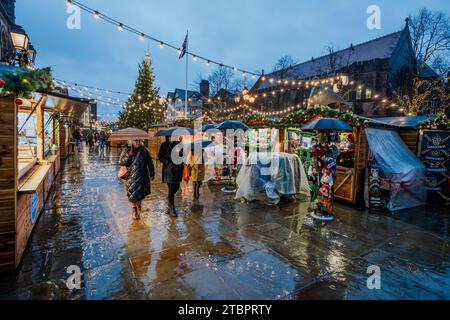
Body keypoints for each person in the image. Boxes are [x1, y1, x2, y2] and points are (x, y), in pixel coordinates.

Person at [119, 139, 155, 220]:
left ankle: (138, 203)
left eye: (139, 141)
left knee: (140, 194)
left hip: (143, 176)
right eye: (136, 141)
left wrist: (152, 173)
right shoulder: (127, 149)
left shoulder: (144, 150)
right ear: (131, 141)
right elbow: (121, 162)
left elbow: (150, 162)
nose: (138, 142)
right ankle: (134, 209)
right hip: (131, 176)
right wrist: (129, 155)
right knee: (132, 194)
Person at [158, 136, 183, 217]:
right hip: (168, 170)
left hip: (178, 170)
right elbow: (160, 156)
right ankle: (172, 208)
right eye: (170, 136)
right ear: (167, 137)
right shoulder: (164, 145)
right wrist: (167, 162)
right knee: (171, 189)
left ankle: (169, 203)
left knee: (176, 187)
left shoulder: (178, 144)